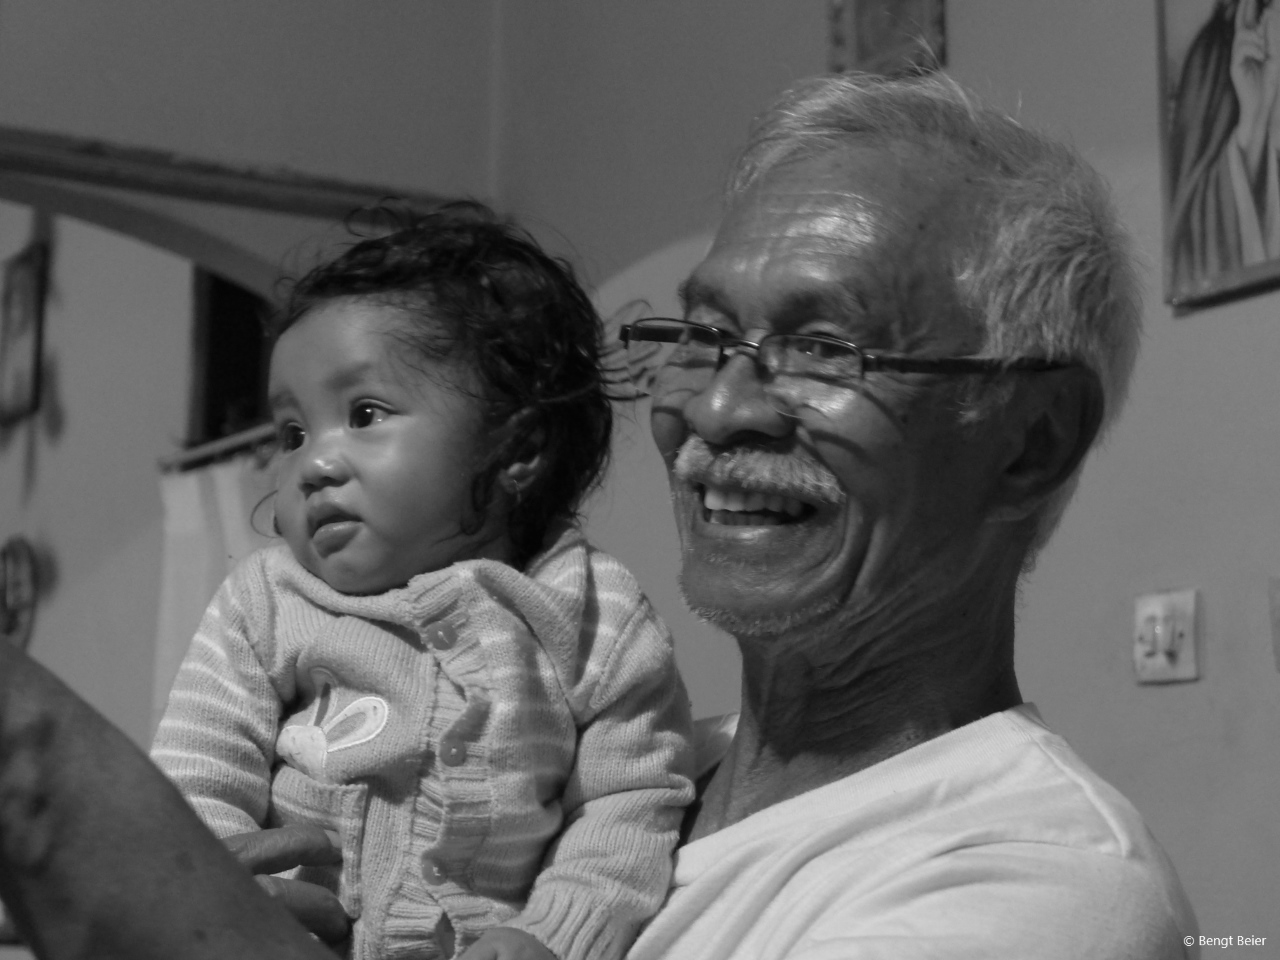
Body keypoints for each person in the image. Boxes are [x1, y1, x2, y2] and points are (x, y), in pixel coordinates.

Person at [0, 73, 1197, 960]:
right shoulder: (644, 765)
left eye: (825, 347)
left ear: (1028, 441)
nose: (714, 408)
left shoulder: (1032, 885)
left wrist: (52, 782)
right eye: (701, 337)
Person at [149, 206, 695, 960]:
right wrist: (226, 901)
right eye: (293, 433)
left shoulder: (595, 615)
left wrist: (551, 933)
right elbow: (196, 775)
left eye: (364, 414)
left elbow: (629, 802)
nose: (314, 464)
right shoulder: (267, 602)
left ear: (518, 449)